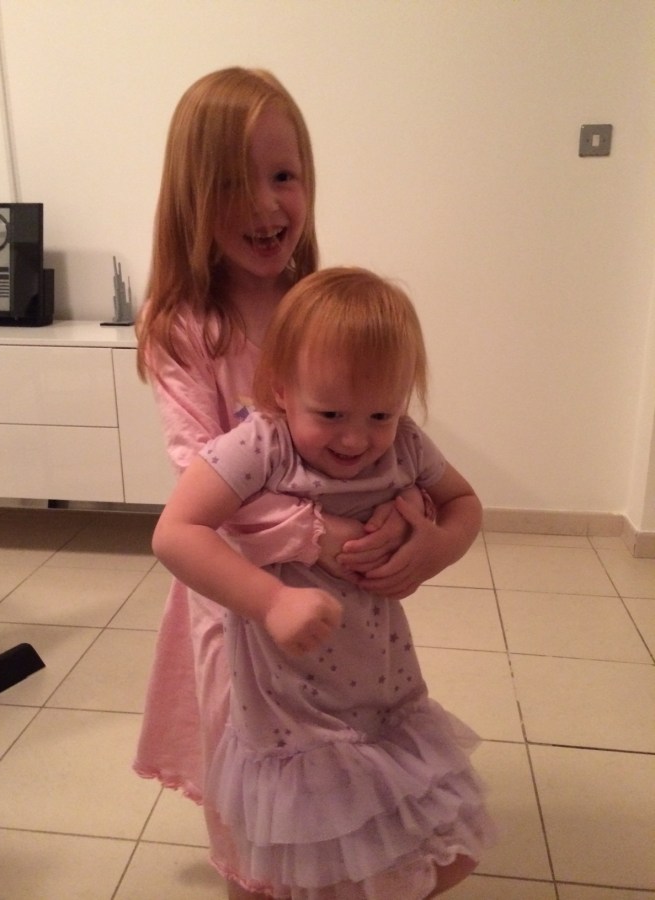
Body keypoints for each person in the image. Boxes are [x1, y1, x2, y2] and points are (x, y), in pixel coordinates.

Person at [133, 68, 435, 849]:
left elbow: (381, 430)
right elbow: (198, 475)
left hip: (340, 606)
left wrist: (407, 522)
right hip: (238, 599)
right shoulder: (183, 326)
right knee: (251, 790)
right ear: (192, 196)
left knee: (337, 766)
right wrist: (319, 536)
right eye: (235, 183)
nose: (266, 205)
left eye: (283, 176)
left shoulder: (319, 306)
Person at [153, 267, 496, 900]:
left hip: (383, 688)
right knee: (303, 853)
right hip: (290, 709)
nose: (358, 438)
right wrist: (271, 600)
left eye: (381, 413)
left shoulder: (405, 445)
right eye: (331, 413)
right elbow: (175, 532)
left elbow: (465, 502)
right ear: (282, 390)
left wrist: (437, 548)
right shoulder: (260, 446)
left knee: (422, 844)